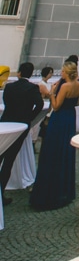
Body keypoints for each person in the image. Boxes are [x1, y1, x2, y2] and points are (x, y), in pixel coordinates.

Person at [30, 61, 79, 211]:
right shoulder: (78, 84)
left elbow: (56, 106)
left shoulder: (65, 86)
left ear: (67, 72)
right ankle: (64, 189)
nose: (61, 73)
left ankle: (48, 191)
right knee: (65, 151)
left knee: (52, 150)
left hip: (59, 119)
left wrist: (52, 92)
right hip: (70, 117)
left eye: (63, 71)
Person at [0, 62, 44, 204]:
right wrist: (28, 118)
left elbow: (6, 102)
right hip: (20, 125)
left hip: (6, 122)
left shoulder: (9, 86)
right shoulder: (32, 88)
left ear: (18, 73)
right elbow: (40, 105)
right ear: (30, 74)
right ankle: (1, 194)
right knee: (9, 161)